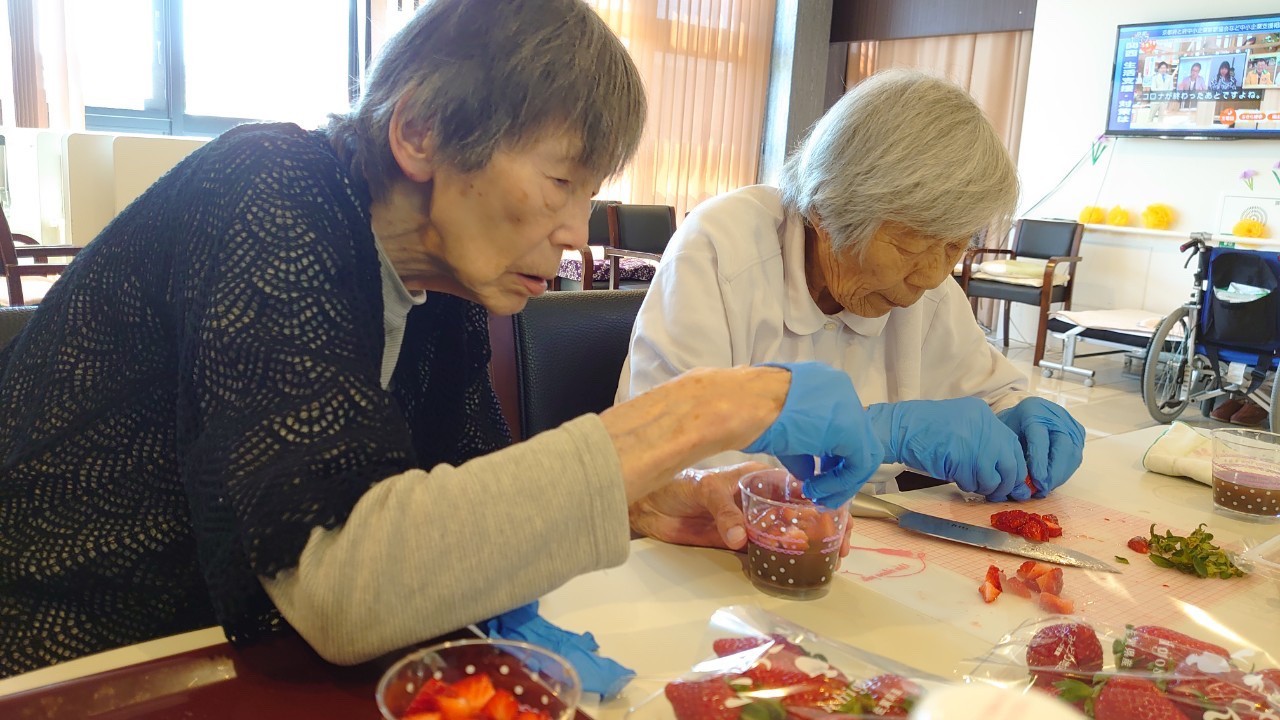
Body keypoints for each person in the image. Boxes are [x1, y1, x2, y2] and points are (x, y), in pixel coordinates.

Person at [0, 0, 885, 678]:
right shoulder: (267, 191)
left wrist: (646, 501)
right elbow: (340, 579)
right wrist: (705, 410)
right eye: (560, 180)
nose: (575, 229)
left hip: (226, 657)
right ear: (421, 130)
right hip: (77, 662)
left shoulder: (444, 283)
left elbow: (459, 503)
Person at [616, 70, 1086, 529]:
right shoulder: (720, 251)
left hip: (862, 544)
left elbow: (990, 393)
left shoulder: (927, 290)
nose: (932, 275)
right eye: (909, 244)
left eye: (954, 246)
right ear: (825, 210)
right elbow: (683, 469)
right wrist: (878, 431)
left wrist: (1020, 421)